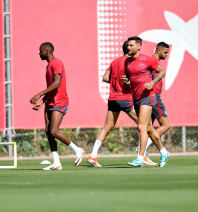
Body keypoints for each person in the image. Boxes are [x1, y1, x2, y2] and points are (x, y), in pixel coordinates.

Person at [31, 42, 84, 170]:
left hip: (59, 102)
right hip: (50, 102)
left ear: (47, 52)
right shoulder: (48, 66)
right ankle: (56, 162)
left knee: (54, 131)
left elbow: (56, 84)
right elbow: (51, 89)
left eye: (41, 51)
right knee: (48, 132)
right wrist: (42, 101)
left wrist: (38, 95)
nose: (39, 53)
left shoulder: (57, 62)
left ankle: (77, 150)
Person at [88, 41, 139, 167]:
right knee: (143, 124)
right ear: (129, 49)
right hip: (125, 98)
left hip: (112, 98)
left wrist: (116, 81)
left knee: (107, 127)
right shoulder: (131, 62)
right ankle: (143, 155)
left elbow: (105, 78)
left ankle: (93, 155)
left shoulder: (115, 61)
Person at [120, 36, 169, 167]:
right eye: (128, 45)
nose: (128, 47)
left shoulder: (148, 59)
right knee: (148, 127)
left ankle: (140, 157)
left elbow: (162, 72)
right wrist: (127, 81)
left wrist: (152, 83)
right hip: (135, 97)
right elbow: (133, 80)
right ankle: (164, 152)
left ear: (138, 46)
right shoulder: (128, 62)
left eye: (131, 45)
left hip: (148, 97)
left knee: (141, 126)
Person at [137, 42, 171, 165]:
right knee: (165, 125)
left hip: (153, 95)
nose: (167, 55)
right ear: (158, 51)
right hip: (153, 96)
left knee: (147, 127)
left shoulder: (154, 61)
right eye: (165, 52)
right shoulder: (151, 60)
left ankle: (142, 152)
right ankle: (143, 149)